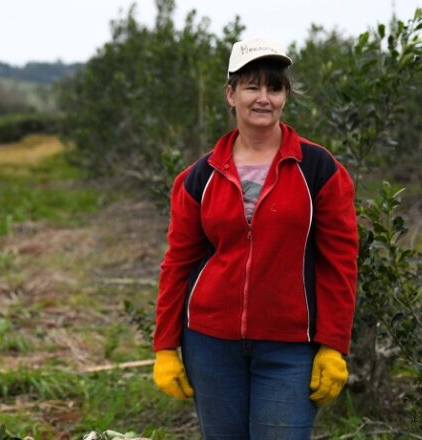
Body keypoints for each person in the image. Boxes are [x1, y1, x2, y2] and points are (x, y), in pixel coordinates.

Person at [152, 37, 358, 439]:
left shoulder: (319, 169)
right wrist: (165, 347)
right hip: (210, 344)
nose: (263, 98)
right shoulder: (199, 177)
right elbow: (178, 263)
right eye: (252, 86)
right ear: (231, 95)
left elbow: (340, 262)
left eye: (274, 87)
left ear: (284, 97)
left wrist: (333, 345)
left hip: (290, 347)